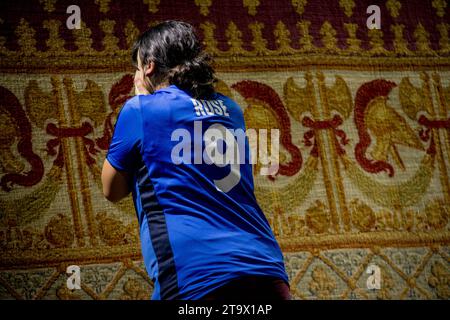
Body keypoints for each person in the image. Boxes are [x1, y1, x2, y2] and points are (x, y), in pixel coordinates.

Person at [101, 20, 291, 300]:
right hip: (265, 268)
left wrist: (143, 101)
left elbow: (112, 189)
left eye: (138, 68)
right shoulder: (231, 109)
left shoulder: (140, 110)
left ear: (150, 66)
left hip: (196, 274)